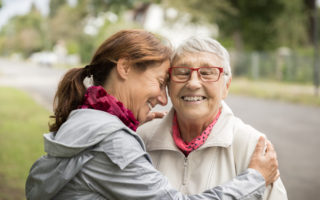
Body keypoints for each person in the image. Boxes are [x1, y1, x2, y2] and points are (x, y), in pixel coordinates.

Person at [26, 30, 279, 200]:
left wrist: (125, 126)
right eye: (163, 81)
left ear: (227, 84)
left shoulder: (87, 119)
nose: (162, 98)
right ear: (124, 67)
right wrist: (254, 179)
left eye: (207, 73)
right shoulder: (115, 141)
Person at [137, 36, 288, 199]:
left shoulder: (252, 145)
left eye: (207, 73)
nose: (193, 83)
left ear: (226, 86)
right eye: (182, 73)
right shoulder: (142, 138)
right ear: (168, 85)